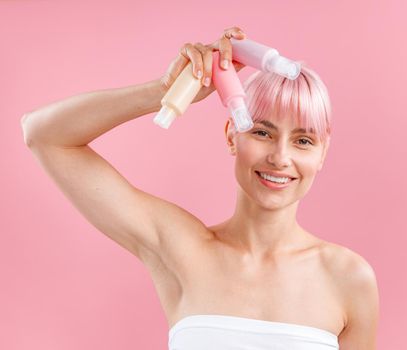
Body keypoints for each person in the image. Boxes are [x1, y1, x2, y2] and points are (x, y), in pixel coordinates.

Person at [21, 26, 379, 350]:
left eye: (303, 141)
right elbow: (44, 135)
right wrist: (162, 92)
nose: (280, 157)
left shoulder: (348, 278)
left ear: (322, 154)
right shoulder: (180, 248)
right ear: (231, 135)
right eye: (262, 132)